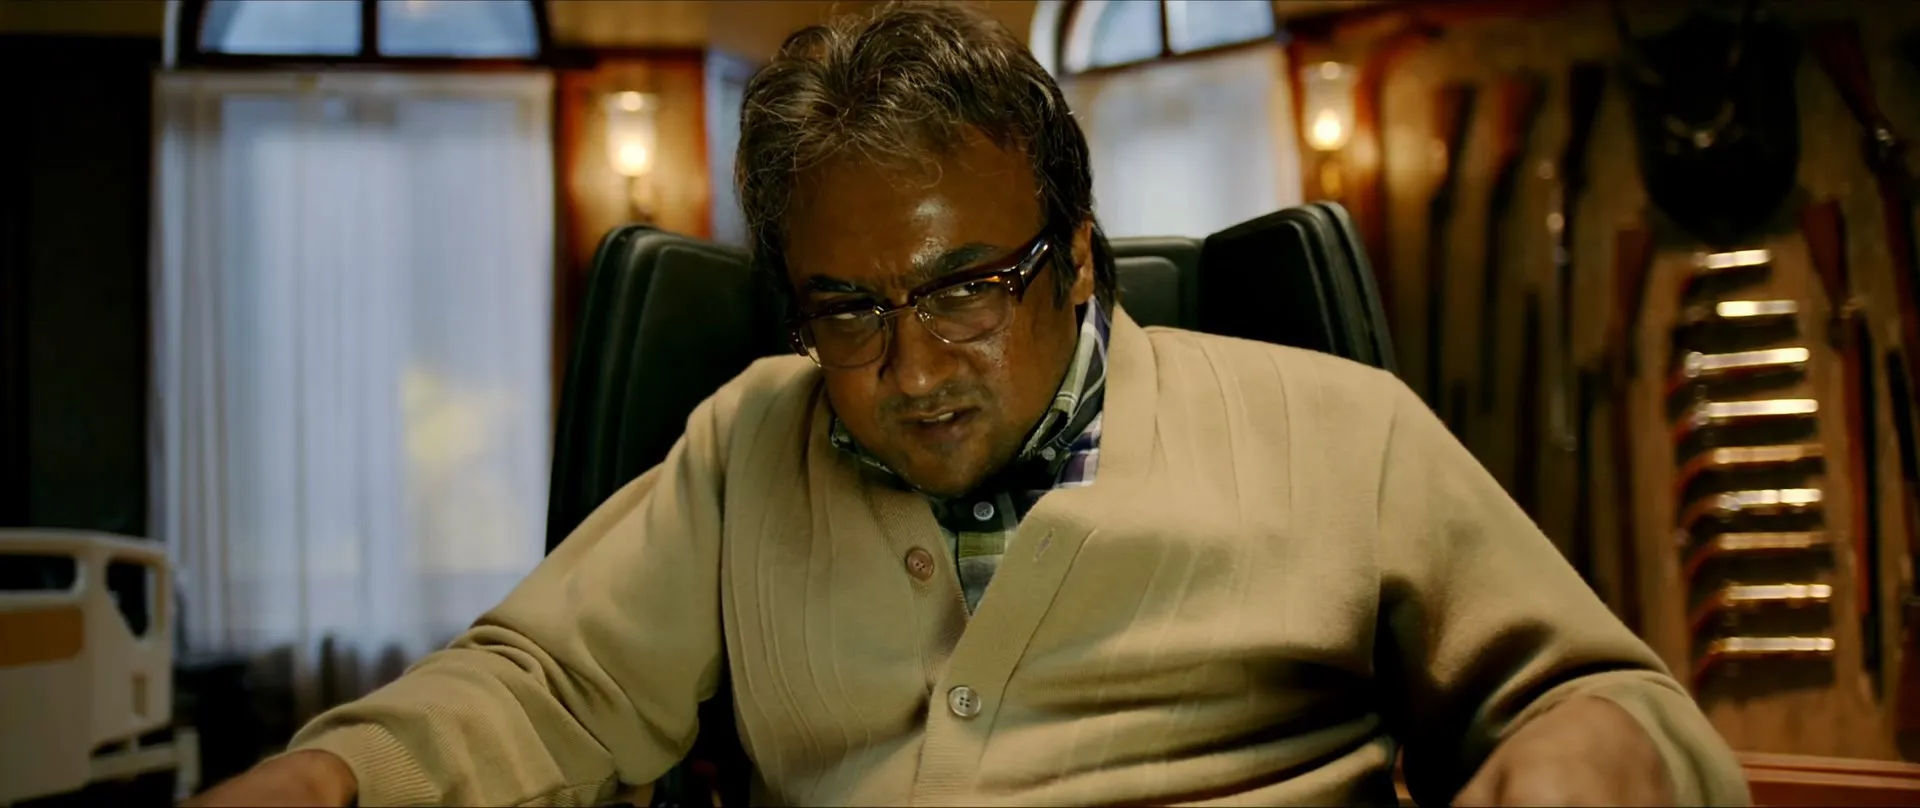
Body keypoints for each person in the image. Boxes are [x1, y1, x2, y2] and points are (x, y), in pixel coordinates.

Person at [188, 3, 1749, 806]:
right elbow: (544, 688)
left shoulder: (1345, 430)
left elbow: (1607, 707)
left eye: (964, 290)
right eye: (849, 311)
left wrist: (1590, 751)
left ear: (1080, 262)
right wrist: (334, 775)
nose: (913, 368)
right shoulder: (748, 445)